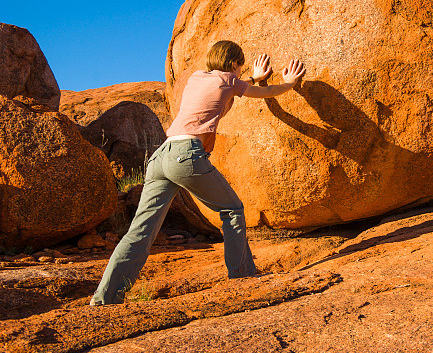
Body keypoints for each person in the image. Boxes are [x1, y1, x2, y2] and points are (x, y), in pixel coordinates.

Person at [90, 40, 306, 305]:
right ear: (233, 64)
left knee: (140, 232)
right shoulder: (229, 80)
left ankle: (105, 298)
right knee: (232, 209)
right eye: (241, 66)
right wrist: (289, 83)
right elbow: (266, 92)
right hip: (186, 156)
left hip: (161, 156)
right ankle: (242, 274)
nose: (241, 71)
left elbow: (231, 86)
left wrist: (252, 78)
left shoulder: (197, 77)